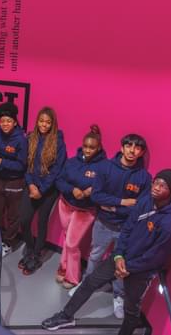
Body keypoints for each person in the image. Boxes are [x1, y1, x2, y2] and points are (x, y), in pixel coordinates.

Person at [42, 169, 171, 335]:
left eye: (163, 185)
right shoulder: (146, 200)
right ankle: (66, 316)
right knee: (90, 282)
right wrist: (118, 256)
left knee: (131, 309)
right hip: (120, 258)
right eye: (156, 182)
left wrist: (128, 267)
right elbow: (127, 228)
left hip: (140, 272)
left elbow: (156, 257)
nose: (157, 187)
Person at [72, 133, 152, 318]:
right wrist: (122, 203)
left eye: (137, 148)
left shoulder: (144, 178)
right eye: (129, 146)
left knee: (120, 264)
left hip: (126, 229)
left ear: (141, 152)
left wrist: (111, 207)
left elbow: (140, 207)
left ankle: (119, 295)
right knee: (94, 256)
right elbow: (96, 196)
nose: (132, 150)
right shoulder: (106, 167)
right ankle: (86, 286)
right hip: (103, 224)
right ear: (122, 147)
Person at [54, 125, 106, 288]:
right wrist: (72, 189)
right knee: (66, 237)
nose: (88, 150)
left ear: (98, 148)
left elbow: (106, 188)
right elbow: (59, 181)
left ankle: (72, 277)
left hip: (85, 210)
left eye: (92, 147)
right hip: (65, 204)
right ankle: (63, 268)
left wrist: (92, 191)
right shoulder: (72, 162)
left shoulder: (104, 167)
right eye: (85, 146)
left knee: (71, 243)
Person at [17, 107, 66, 275]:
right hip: (31, 186)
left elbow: (56, 171)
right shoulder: (31, 138)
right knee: (24, 220)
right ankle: (30, 249)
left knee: (42, 222)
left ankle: (36, 255)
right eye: (41, 121)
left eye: (48, 122)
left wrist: (42, 189)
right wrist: (31, 185)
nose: (44, 125)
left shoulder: (59, 143)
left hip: (48, 190)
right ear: (37, 121)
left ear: (52, 124)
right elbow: (27, 165)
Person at [0, 102, 28, 259]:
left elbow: (21, 164)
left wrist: (0, 161)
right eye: (3, 121)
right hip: (0, 179)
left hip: (15, 181)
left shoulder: (21, 139)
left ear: (15, 122)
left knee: (13, 216)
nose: (5, 124)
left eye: (9, 121)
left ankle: (8, 243)